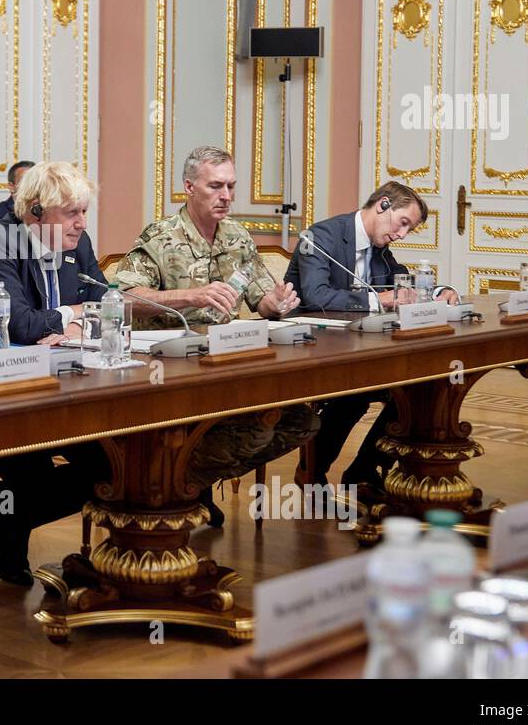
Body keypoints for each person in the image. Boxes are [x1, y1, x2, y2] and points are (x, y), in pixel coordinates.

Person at [115, 145, 318, 515]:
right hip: (172, 370)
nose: (226, 196)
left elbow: (261, 299)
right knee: (258, 428)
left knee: (301, 421)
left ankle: (188, 483)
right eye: (215, 186)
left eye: (231, 186)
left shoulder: (237, 236)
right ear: (189, 187)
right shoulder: (161, 236)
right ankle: (169, 489)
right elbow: (125, 297)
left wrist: (278, 302)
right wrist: (191, 296)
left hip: (226, 362)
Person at [0, 162, 110, 586]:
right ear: (36, 212)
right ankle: (4, 512)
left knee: (113, 463)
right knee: (32, 465)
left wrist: (67, 324)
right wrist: (71, 315)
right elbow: (21, 326)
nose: (81, 224)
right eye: (71, 213)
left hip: (56, 382)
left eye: (84, 212)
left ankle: (1, 507)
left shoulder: (78, 243)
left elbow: (107, 306)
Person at [285, 181, 458, 488]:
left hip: (358, 345)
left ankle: (365, 471)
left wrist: (440, 291)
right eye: (403, 223)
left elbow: (402, 283)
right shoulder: (321, 236)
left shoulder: (380, 250)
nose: (402, 234)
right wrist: (380, 300)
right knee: (356, 392)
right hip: (315, 345)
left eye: (409, 229)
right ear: (382, 205)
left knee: (416, 388)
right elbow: (315, 296)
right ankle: (312, 472)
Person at [0, 159, 34, 225]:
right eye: (25, 181)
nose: (31, 185)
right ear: (11, 187)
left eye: (34, 180)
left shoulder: (44, 210)